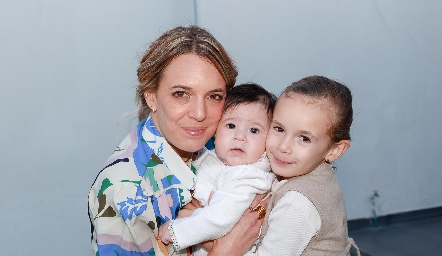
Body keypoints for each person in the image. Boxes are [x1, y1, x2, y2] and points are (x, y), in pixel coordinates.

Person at [88, 25, 238, 256]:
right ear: (151, 96)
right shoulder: (126, 188)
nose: (199, 113)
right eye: (181, 94)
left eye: (214, 96)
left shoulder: (227, 145)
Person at [210, 75, 360, 255]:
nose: (283, 146)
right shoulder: (308, 171)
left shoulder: (297, 204)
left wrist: (209, 242)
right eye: (279, 129)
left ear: (335, 150)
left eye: (304, 138)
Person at [157, 83, 277, 255]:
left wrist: (176, 231)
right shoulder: (213, 158)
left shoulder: (251, 177)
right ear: (216, 131)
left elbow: (219, 219)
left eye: (253, 130)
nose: (240, 137)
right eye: (231, 126)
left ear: (269, 138)